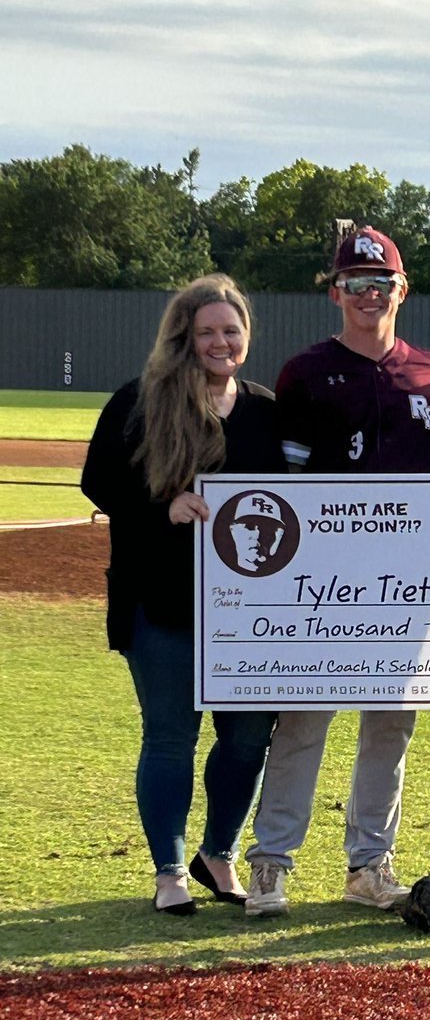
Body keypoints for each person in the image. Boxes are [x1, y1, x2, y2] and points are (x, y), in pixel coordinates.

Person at [245, 227, 430, 916]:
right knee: (304, 718)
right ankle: (271, 863)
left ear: (403, 289)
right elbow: (287, 480)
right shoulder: (305, 371)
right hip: (325, 583)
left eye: (382, 283)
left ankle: (369, 865)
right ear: (336, 292)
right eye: (356, 284)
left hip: (409, 580)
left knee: (391, 723)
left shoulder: (429, 370)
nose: (370, 295)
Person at [81, 275, 284, 914]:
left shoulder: (264, 409)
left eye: (231, 330)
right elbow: (98, 483)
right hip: (163, 603)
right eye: (206, 332)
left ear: (246, 337)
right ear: (184, 337)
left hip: (250, 616)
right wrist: (162, 504)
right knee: (170, 737)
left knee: (250, 736)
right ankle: (169, 869)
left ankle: (217, 853)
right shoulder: (139, 403)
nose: (220, 342)